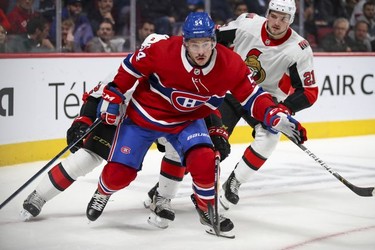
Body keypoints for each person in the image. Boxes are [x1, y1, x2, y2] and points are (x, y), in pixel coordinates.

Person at [85, 11, 307, 236]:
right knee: (119, 175)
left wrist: (273, 115)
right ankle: (103, 192)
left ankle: (207, 210)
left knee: (204, 159)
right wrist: (113, 93)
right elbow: (130, 67)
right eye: (194, 44)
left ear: (214, 41)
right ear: (185, 43)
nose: (201, 51)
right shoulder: (163, 51)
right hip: (145, 115)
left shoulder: (230, 63)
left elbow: (252, 96)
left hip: (187, 120)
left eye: (206, 43)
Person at [145, 0, 318, 226]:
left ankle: (234, 183)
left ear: (291, 20)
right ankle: (163, 189)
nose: (277, 23)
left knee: (268, 138)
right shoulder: (247, 24)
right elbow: (212, 39)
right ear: (268, 14)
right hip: (230, 89)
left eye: (283, 19)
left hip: (263, 100)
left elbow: (310, 92)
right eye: (274, 16)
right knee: (207, 143)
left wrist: (283, 109)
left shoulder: (300, 49)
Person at [20, 78, 126, 221]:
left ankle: (162, 195)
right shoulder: (130, 67)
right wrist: (82, 122)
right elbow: (95, 96)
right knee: (85, 158)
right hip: (115, 123)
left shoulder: (165, 76)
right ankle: (40, 194)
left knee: (125, 167)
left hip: (150, 128)